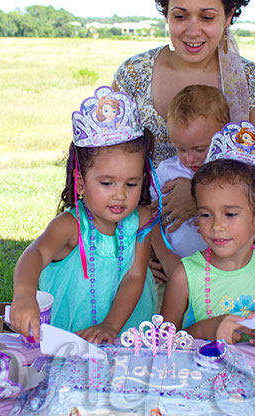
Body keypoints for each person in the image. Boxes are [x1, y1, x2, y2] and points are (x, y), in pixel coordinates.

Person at [113, 0, 255, 238]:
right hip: (139, 246)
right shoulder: (134, 75)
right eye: (180, 16)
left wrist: (199, 195)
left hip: (225, 255)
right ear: (166, 14)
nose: (193, 30)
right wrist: (139, 251)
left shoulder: (254, 82)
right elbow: (105, 166)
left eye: (207, 17)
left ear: (229, 16)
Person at [10, 86, 157, 344]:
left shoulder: (141, 221)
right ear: (80, 182)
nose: (120, 195)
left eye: (131, 184)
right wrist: (24, 294)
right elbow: (35, 254)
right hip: (73, 333)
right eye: (107, 183)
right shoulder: (69, 226)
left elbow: (135, 276)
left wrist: (111, 326)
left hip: (125, 327)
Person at [161, 121, 255, 350]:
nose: (217, 226)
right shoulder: (185, 277)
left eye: (230, 214)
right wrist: (209, 329)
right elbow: (162, 343)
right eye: (206, 214)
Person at [151, 84, 230, 275]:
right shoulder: (167, 172)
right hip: (175, 266)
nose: (189, 159)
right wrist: (163, 256)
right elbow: (148, 215)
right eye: (181, 149)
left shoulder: (231, 173)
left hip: (222, 269)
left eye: (200, 149)